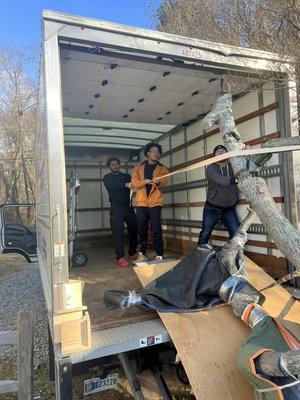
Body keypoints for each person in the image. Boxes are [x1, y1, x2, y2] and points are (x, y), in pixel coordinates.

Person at [130, 142, 169, 260]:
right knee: (142, 229)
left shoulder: (162, 169)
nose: (156, 154)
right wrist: (144, 182)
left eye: (158, 152)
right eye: (153, 151)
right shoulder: (138, 168)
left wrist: (158, 182)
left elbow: (163, 183)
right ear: (148, 153)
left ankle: (159, 254)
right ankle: (142, 253)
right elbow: (133, 183)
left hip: (155, 203)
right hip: (141, 203)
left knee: (156, 229)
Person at [102, 157, 142, 267]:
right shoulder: (107, 178)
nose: (115, 166)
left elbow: (134, 184)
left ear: (120, 165)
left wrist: (141, 182)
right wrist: (126, 185)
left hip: (128, 207)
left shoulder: (127, 176)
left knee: (134, 229)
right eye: (112, 164)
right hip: (116, 208)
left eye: (116, 164)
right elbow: (113, 186)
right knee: (118, 232)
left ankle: (132, 252)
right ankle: (119, 257)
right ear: (109, 166)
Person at [197, 144, 239, 245]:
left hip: (229, 209)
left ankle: (236, 257)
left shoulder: (234, 166)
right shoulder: (211, 168)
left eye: (223, 151)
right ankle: (198, 257)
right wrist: (235, 179)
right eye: (218, 152)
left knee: (236, 234)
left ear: (227, 153)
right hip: (212, 208)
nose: (220, 152)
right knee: (205, 233)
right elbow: (220, 179)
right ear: (214, 155)